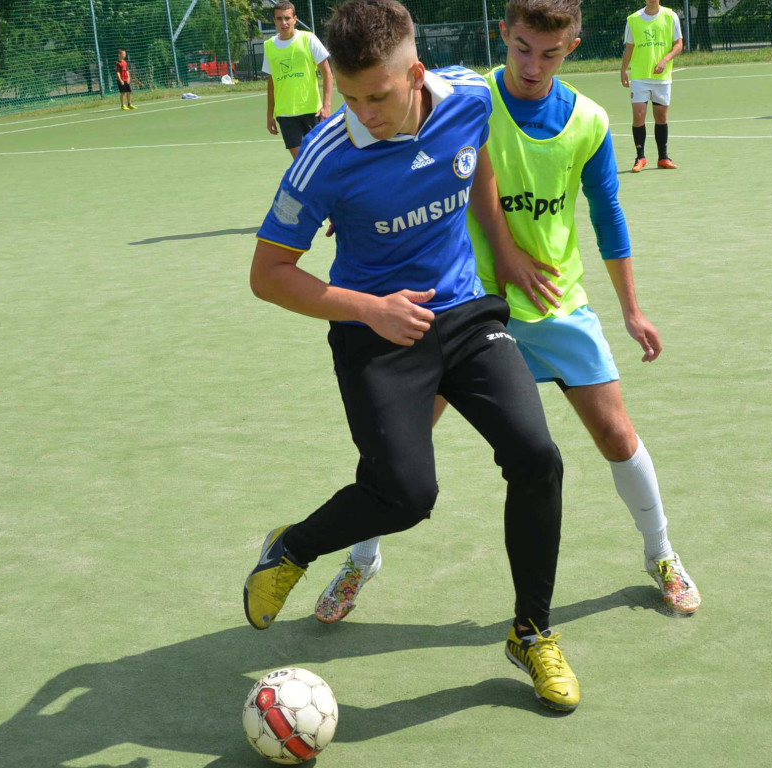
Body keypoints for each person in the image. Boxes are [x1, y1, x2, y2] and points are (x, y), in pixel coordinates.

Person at [316, 0, 701, 628]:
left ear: (573, 45)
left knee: (615, 435)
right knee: (398, 453)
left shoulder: (591, 121)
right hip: (463, 309)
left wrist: (632, 310)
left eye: (549, 53)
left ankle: (660, 552)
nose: (532, 64)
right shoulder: (465, 96)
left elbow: (607, 216)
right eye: (522, 47)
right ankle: (362, 557)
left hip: (555, 303)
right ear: (505, 34)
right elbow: (385, 131)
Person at [244, 0, 580, 713]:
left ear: (415, 74)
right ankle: (294, 547)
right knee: (405, 495)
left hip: (462, 312)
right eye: (352, 96)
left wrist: (506, 247)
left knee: (537, 456)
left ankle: (531, 632)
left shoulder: (467, 98)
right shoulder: (324, 157)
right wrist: (371, 308)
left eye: (381, 96)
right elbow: (267, 274)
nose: (365, 112)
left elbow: (476, 163)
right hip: (375, 333)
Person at [263, 1, 334, 158]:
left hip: (312, 111)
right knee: (300, 162)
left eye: (287, 18)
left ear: (295, 19)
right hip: (285, 114)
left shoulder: (308, 39)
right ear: (274, 21)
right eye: (279, 18)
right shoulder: (269, 46)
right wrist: (270, 115)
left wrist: (326, 106)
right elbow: (271, 83)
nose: (284, 22)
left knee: (319, 158)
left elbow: (327, 73)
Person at [619, 0, 682, 172]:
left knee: (661, 117)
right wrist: (623, 69)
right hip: (640, 76)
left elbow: (678, 44)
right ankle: (640, 158)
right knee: (639, 116)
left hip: (662, 77)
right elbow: (629, 47)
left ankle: (663, 157)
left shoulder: (670, 16)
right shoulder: (633, 19)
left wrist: (665, 60)